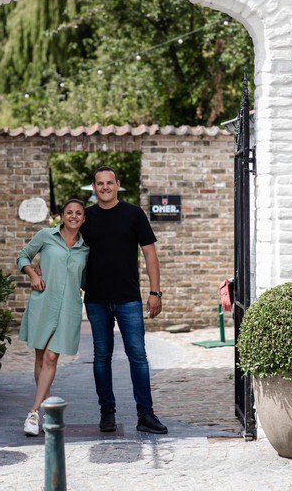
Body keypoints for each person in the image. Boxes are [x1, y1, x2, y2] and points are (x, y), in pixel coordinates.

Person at [82, 166, 167, 434]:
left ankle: (146, 415)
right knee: (101, 357)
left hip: (129, 299)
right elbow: (65, 249)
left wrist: (155, 292)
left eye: (109, 182)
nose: (105, 187)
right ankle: (107, 413)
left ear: (118, 184)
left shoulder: (133, 213)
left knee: (138, 357)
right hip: (95, 299)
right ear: (94, 187)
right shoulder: (86, 218)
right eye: (99, 183)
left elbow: (150, 255)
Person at [17, 199, 89, 436]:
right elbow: (23, 257)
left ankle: (34, 412)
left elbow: (88, 279)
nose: (74, 216)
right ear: (62, 215)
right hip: (44, 303)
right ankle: (46, 410)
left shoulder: (86, 248)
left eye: (79, 213)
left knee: (50, 357)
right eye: (69, 212)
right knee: (40, 358)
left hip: (69, 308)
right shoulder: (46, 236)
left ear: (84, 218)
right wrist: (32, 274)